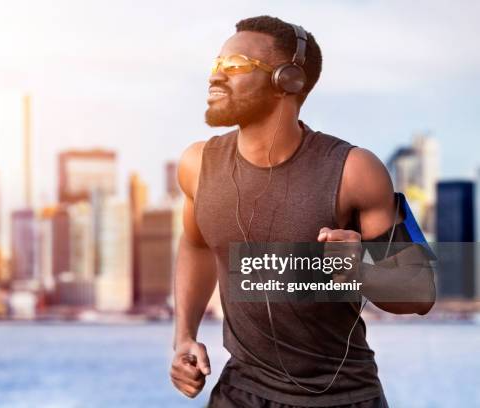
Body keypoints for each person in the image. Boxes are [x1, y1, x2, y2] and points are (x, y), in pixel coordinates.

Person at [169, 15, 435, 408]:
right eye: (216, 65)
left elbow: (420, 293)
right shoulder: (197, 165)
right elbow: (196, 246)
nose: (216, 76)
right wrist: (183, 336)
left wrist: (361, 267)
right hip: (240, 392)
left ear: (287, 81)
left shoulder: (354, 170)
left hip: (342, 398)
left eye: (236, 66)